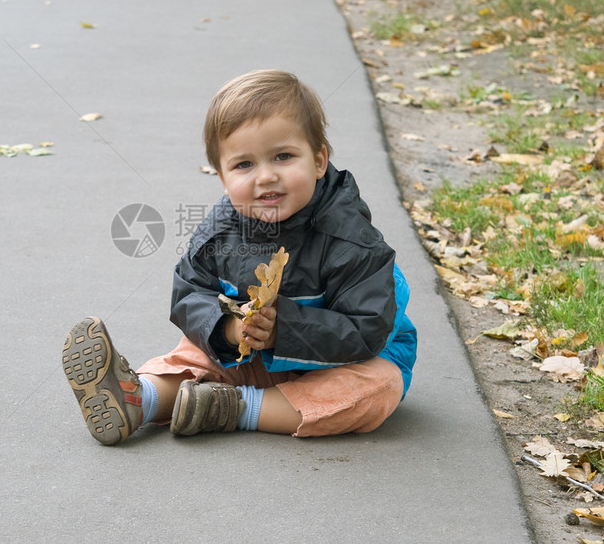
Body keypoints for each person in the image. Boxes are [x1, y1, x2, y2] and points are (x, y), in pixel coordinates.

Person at [62, 70, 417, 446]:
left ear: (318, 161)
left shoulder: (349, 238)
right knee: (192, 355)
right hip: (247, 360)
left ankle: (238, 408)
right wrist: (228, 330)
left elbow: (367, 329)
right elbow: (189, 293)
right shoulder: (221, 231)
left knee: (379, 386)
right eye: (244, 165)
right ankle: (141, 399)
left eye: (283, 156)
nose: (265, 177)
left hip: (342, 363)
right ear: (222, 177)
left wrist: (285, 330)